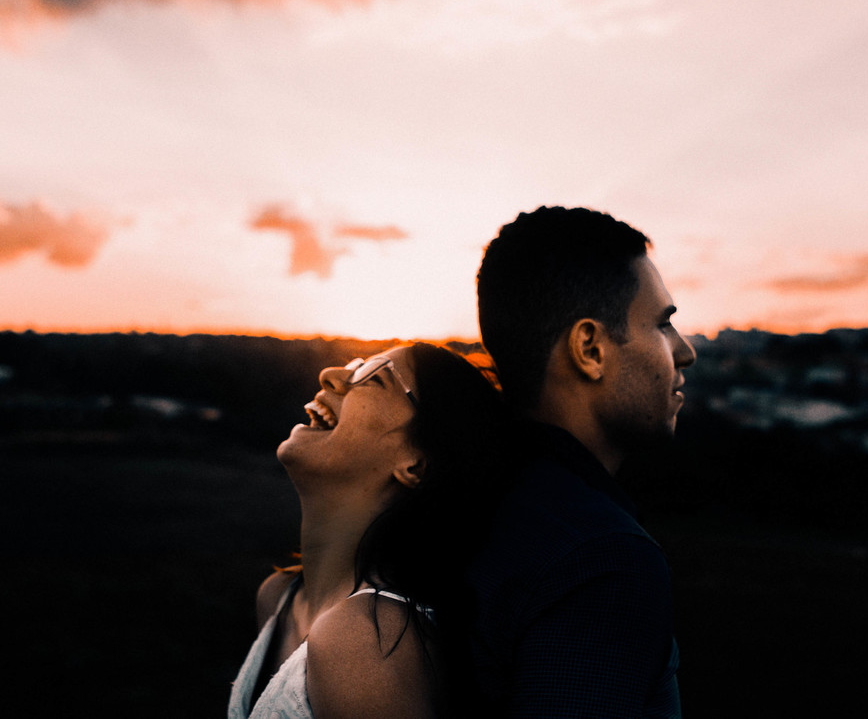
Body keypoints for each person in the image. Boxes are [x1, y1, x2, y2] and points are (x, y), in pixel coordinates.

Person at [466, 205, 696, 717]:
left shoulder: (464, 499)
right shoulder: (602, 558)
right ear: (590, 348)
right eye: (663, 326)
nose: (685, 352)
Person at [228, 342, 512, 719]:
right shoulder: (278, 598)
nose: (330, 374)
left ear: (414, 464)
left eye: (374, 376)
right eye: (355, 364)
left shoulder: (366, 639)